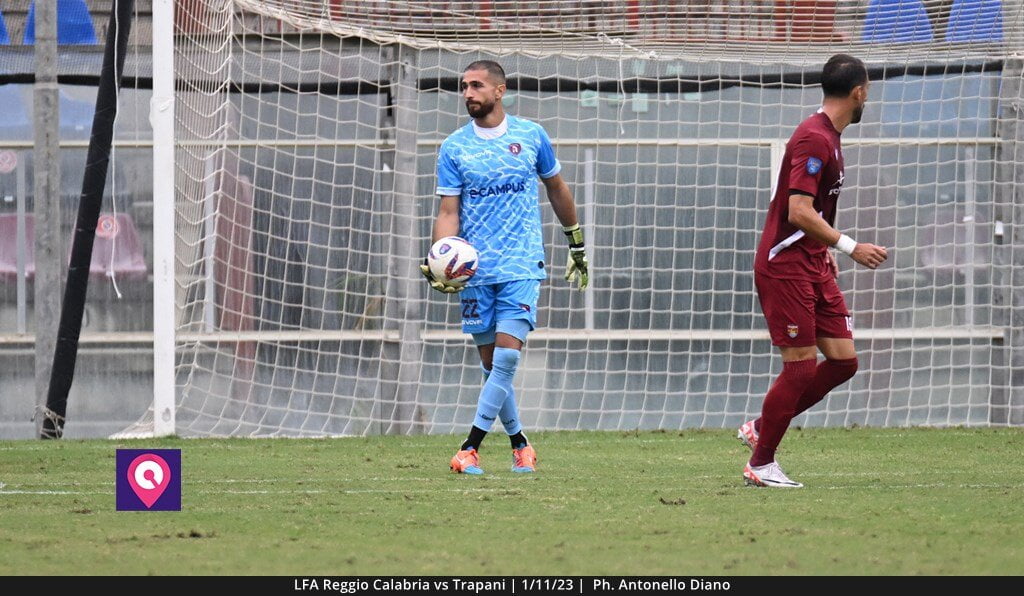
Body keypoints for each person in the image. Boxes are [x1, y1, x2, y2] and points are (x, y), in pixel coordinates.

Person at [421, 60, 589, 475]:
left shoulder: (531, 135)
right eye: (463, 87)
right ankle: (521, 445)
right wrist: (439, 257)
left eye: (476, 85)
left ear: (500, 91)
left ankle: (469, 447)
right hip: (475, 271)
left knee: (508, 361)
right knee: (492, 366)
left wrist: (576, 240)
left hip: (521, 264)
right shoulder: (454, 147)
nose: (468, 93)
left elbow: (557, 188)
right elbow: (447, 210)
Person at [741, 54, 888, 488]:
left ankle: (760, 426)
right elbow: (799, 210)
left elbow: (813, 213)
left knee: (843, 362)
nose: (868, 99)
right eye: (869, 91)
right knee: (801, 368)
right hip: (785, 266)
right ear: (858, 92)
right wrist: (849, 247)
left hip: (811, 262)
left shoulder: (831, 137)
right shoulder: (814, 137)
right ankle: (761, 463)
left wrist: (824, 252)